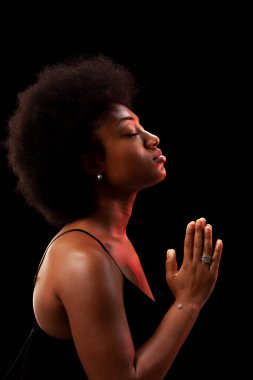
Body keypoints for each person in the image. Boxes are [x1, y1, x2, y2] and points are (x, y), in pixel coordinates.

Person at [3, 54, 223, 380]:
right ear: (94, 164)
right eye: (131, 133)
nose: (153, 138)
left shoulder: (114, 238)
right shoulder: (83, 258)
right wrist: (189, 302)